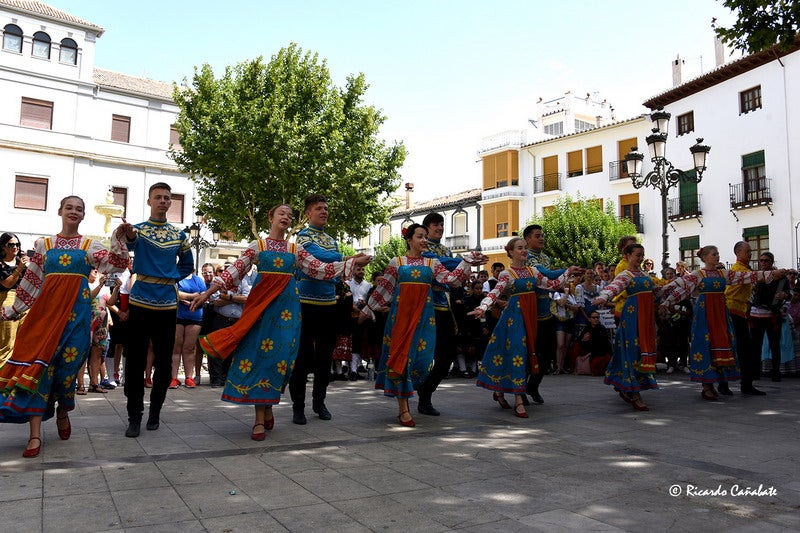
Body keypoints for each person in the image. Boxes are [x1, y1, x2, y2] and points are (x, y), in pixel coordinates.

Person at [190, 204, 369, 440]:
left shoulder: (295, 250)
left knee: (282, 360)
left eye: (290, 215)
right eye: (281, 213)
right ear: (270, 217)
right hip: (261, 310)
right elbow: (234, 270)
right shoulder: (259, 246)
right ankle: (258, 418)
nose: (286, 217)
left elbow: (321, 270)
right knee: (259, 357)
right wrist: (207, 292)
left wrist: (352, 262)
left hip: (288, 312)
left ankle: (269, 404)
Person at [0, 196, 129, 457]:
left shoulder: (90, 245)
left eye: (79, 209)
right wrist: (12, 311)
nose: (73, 211)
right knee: (40, 368)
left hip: (78, 317)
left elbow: (115, 263)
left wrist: (120, 236)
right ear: (60, 211)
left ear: (83, 216)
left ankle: (62, 409)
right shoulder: (43, 244)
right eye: (69, 207)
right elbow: (31, 283)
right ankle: (34, 435)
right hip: (45, 316)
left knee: (68, 370)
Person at [361, 224, 480, 427]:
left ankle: (415, 393)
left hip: (425, 318)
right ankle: (403, 408)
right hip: (400, 317)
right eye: (420, 236)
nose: (424, 240)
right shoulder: (396, 262)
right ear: (409, 240)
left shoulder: (431, 262)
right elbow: (385, 289)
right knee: (402, 358)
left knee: (424, 360)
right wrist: (368, 310)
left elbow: (451, 280)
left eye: (426, 237)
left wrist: (467, 262)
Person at [469, 237, 578, 418]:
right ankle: (519, 400)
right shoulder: (507, 274)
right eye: (520, 248)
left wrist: (568, 272)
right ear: (510, 252)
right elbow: (495, 293)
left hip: (530, 317)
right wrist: (482, 307)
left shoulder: (533, 271)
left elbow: (552, 285)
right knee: (518, 354)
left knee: (522, 354)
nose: (524, 251)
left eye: (525, 248)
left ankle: (500, 391)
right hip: (514, 319)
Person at [659, 245, 783, 401]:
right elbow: (680, 288)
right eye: (713, 254)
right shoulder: (698, 274)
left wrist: (771, 273)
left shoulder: (723, 273)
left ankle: (718, 383)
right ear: (704, 258)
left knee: (721, 345)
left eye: (718, 254)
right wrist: (665, 301)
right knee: (705, 345)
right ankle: (707, 385)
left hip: (720, 313)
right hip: (705, 313)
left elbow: (746, 277)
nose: (717, 257)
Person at [121, 182, 194, 438]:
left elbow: (188, 264)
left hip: (167, 304)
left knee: (164, 362)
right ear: (149, 201)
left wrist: (172, 277)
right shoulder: (137, 231)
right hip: (140, 301)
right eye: (158, 197)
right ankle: (134, 415)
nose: (163, 201)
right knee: (135, 361)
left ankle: (155, 413)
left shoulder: (179, 234)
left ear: (170, 203)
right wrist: (127, 234)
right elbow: (127, 246)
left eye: (166, 197)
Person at [418, 212, 488, 416]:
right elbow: (442, 266)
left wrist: (465, 266)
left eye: (441, 224)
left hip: (444, 306)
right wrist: (466, 261)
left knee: (446, 355)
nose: (439, 228)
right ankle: (407, 394)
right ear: (426, 228)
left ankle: (426, 393)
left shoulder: (446, 250)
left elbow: (455, 277)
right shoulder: (422, 247)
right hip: (424, 307)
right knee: (420, 354)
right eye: (435, 224)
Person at [290, 194, 346, 425]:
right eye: (319, 208)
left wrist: (332, 270)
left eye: (326, 208)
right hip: (304, 303)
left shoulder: (332, 240)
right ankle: (298, 406)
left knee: (325, 357)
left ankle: (319, 402)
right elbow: (318, 260)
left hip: (328, 303)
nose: (324, 212)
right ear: (308, 213)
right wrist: (339, 260)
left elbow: (333, 267)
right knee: (301, 357)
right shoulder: (301, 237)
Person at [592, 243, 663, 412]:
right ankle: (635, 393)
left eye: (642, 254)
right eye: (637, 255)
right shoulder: (626, 274)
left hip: (646, 318)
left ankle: (627, 386)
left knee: (641, 350)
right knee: (632, 351)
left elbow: (655, 289)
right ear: (628, 256)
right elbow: (613, 287)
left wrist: (672, 290)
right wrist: (603, 297)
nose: (640, 258)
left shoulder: (644, 274)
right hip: (633, 317)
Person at [523, 224, 563, 404]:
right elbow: (545, 275)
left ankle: (533, 386)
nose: (541, 238)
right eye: (537, 236)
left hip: (546, 311)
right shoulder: (525, 256)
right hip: (528, 312)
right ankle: (520, 389)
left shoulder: (545, 257)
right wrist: (567, 271)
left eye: (542, 235)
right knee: (526, 354)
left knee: (546, 354)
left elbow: (549, 282)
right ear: (527, 239)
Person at [749, 252, 790, 382]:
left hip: (772, 314)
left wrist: (784, 295)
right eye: (761, 260)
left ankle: (776, 372)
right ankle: (755, 372)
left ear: (772, 262)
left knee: (774, 345)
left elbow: (788, 295)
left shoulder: (781, 278)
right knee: (755, 345)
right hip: (755, 314)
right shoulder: (756, 276)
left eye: (766, 260)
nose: (763, 263)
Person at [171, 271, 207, 388]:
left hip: (195, 317)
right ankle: (173, 378)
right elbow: (175, 293)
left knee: (189, 348)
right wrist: (192, 296)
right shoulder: (176, 277)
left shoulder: (199, 280)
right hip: (177, 316)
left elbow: (203, 296)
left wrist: (187, 298)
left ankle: (189, 377)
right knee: (176, 348)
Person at [0, 233, 29, 367]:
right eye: (11, 245)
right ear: (3, 247)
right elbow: (7, 284)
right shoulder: (1, 264)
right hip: (7, 300)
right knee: (7, 343)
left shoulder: (22, 262)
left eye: (17, 244)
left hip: (24, 302)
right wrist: (20, 269)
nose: (15, 247)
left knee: (22, 342)